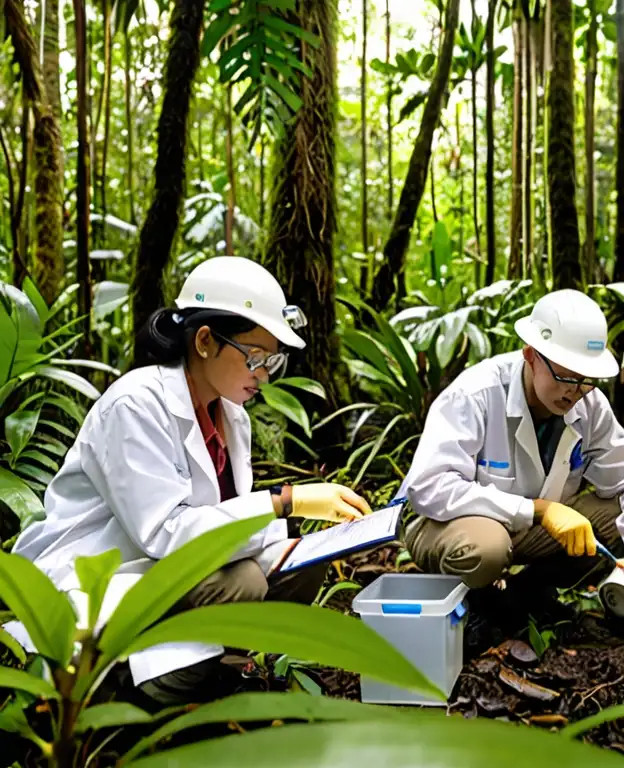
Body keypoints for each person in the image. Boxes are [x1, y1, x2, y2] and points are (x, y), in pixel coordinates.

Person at [11, 256, 372, 705]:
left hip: (174, 574)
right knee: (242, 583)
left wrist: (306, 539)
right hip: (104, 577)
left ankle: (216, 667)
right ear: (204, 341)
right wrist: (285, 501)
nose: (263, 374)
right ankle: (132, 684)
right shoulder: (135, 404)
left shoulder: (231, 416)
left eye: (272, 361)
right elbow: (167, 535)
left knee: (304, 563)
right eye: (255, 357)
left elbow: (219, 525)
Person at [401, 289, 624, 622]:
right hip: (451, 527)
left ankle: (523, 598)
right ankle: (470, 604)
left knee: (620, 518)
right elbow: (428, 486)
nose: (575, 390)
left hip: (527, 534)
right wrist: (538, 510)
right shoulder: (476, 395)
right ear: (530, 355)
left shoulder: (588, 402)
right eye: (566, 375)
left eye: (587, 379)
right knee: (486, 548)